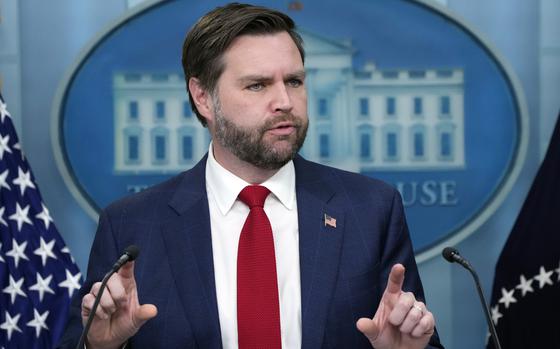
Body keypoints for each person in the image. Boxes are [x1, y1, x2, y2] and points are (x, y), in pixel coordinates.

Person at [59, 3, 443, 349]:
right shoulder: (131, 224)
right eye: (257, 85)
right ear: (203, 97)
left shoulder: (371, 209)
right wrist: (100, 347)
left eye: (294, 81)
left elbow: (414, 338)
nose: (285, 102)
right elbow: (82, 341)